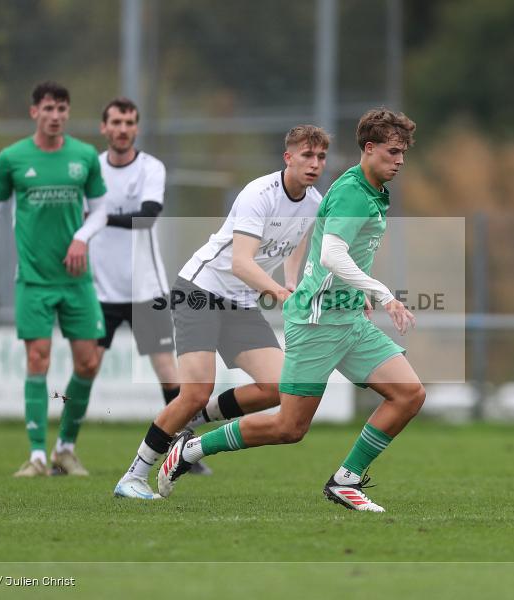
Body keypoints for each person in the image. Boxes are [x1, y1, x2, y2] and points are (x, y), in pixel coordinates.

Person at [156, 108, 425, 512]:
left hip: (349, 319)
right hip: (318, 323)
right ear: (369, 149)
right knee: (289, 427)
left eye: (403, 152)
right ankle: (192, 449)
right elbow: (332, 254)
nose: (400, 160)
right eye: (392, 152)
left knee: (409, 394)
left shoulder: (372, 190)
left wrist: (359, 291)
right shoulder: (352, 192)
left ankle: (346, 480)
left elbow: (336, 252)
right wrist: (383, 293)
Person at [113, 125, 330, 500]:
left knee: (278, 386)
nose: (315, 164)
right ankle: (133, 476)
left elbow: (299, 242)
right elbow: (240, 263)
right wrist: (281, 294)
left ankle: (192, 421)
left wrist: (292, 281)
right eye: (307, 155)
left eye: (321, 157)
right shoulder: (259, 194)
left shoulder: (314, 202)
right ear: (288, 158)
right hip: (200, 291)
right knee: (195, 391)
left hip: (241, 302)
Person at [0, 81, 109, 478]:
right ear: (34, 113)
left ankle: (65, 449)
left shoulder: (84, 156)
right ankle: (38, 456)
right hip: (33, 279)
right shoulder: (12, 159)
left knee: (89, 362)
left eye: (62, 109)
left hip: (76, 280)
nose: (55, 116)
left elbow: (100, 211)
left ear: (68, 112)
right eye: (48, 109)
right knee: (37, 358)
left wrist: (81, 237)